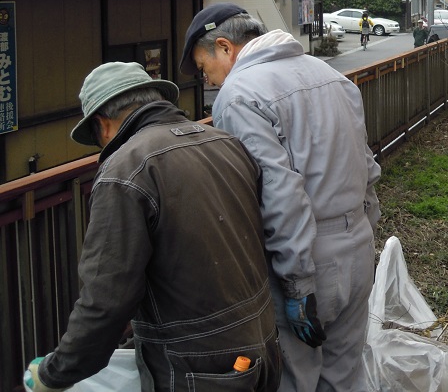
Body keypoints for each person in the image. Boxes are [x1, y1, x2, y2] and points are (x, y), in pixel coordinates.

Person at [24, 62, 280, 392]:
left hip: (197, 367)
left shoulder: (125, 169)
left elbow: (105, 300)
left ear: (103, 125)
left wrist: (54, 373)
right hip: (261, 342)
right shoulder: (224, 142)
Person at [180, 4, 382, 392]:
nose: (212, 83)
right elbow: (367, 166)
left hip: (306, 260)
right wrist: (362, 233)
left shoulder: (240, 95)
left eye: (206, 70)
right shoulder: (330, 76)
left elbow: (279, 192)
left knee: (295, 379)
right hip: (357, 245)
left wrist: (297, 284)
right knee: (343, 377)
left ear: (225, 47)